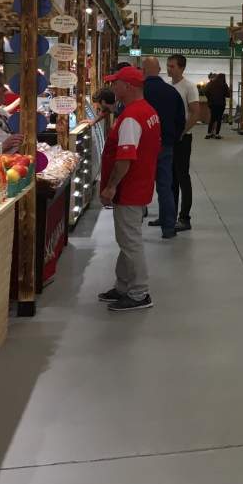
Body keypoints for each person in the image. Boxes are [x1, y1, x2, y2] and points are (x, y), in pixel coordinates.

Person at [97, 66, 161, 312]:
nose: (113, 87)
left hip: (129, 188)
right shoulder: (148, 111)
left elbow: (125, 158)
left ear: (128, 86)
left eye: (116, 83)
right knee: (128, 239)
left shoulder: (132, 117)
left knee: (130, 241)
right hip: (141, 183)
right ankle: (123, 286)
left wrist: (111, 186)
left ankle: (139, 293)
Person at [140, 56, 185, 239]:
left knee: (139, 185)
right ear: (159, 70)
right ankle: (168, 227)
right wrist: (173, 138)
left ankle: (134, 227)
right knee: (165, 187)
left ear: (143, 71)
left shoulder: (139, 91)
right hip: (165, 145)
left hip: (142, 146)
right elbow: (180, 120)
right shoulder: (171, 92)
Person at [166, 53, 202, 230]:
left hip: (182, 138)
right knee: (171, 178)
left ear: (182, 68)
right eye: (168, 65)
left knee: (182, 177)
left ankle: (184, 218)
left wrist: (183, 132)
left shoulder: (189, 87)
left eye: (172, 66)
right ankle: (170, 215)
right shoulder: (169, 87)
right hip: (170, 137)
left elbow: (195, 112)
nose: (169, 69)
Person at [203, 73, 230, 139]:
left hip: (212, 104)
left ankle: (209, 133)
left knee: (212, 118)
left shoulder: (211, 83)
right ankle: (217, 134)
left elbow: (205, 91)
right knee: (219, 119)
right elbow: (228, 95)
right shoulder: (224, 84)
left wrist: (210, 98)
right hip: (221, 104)